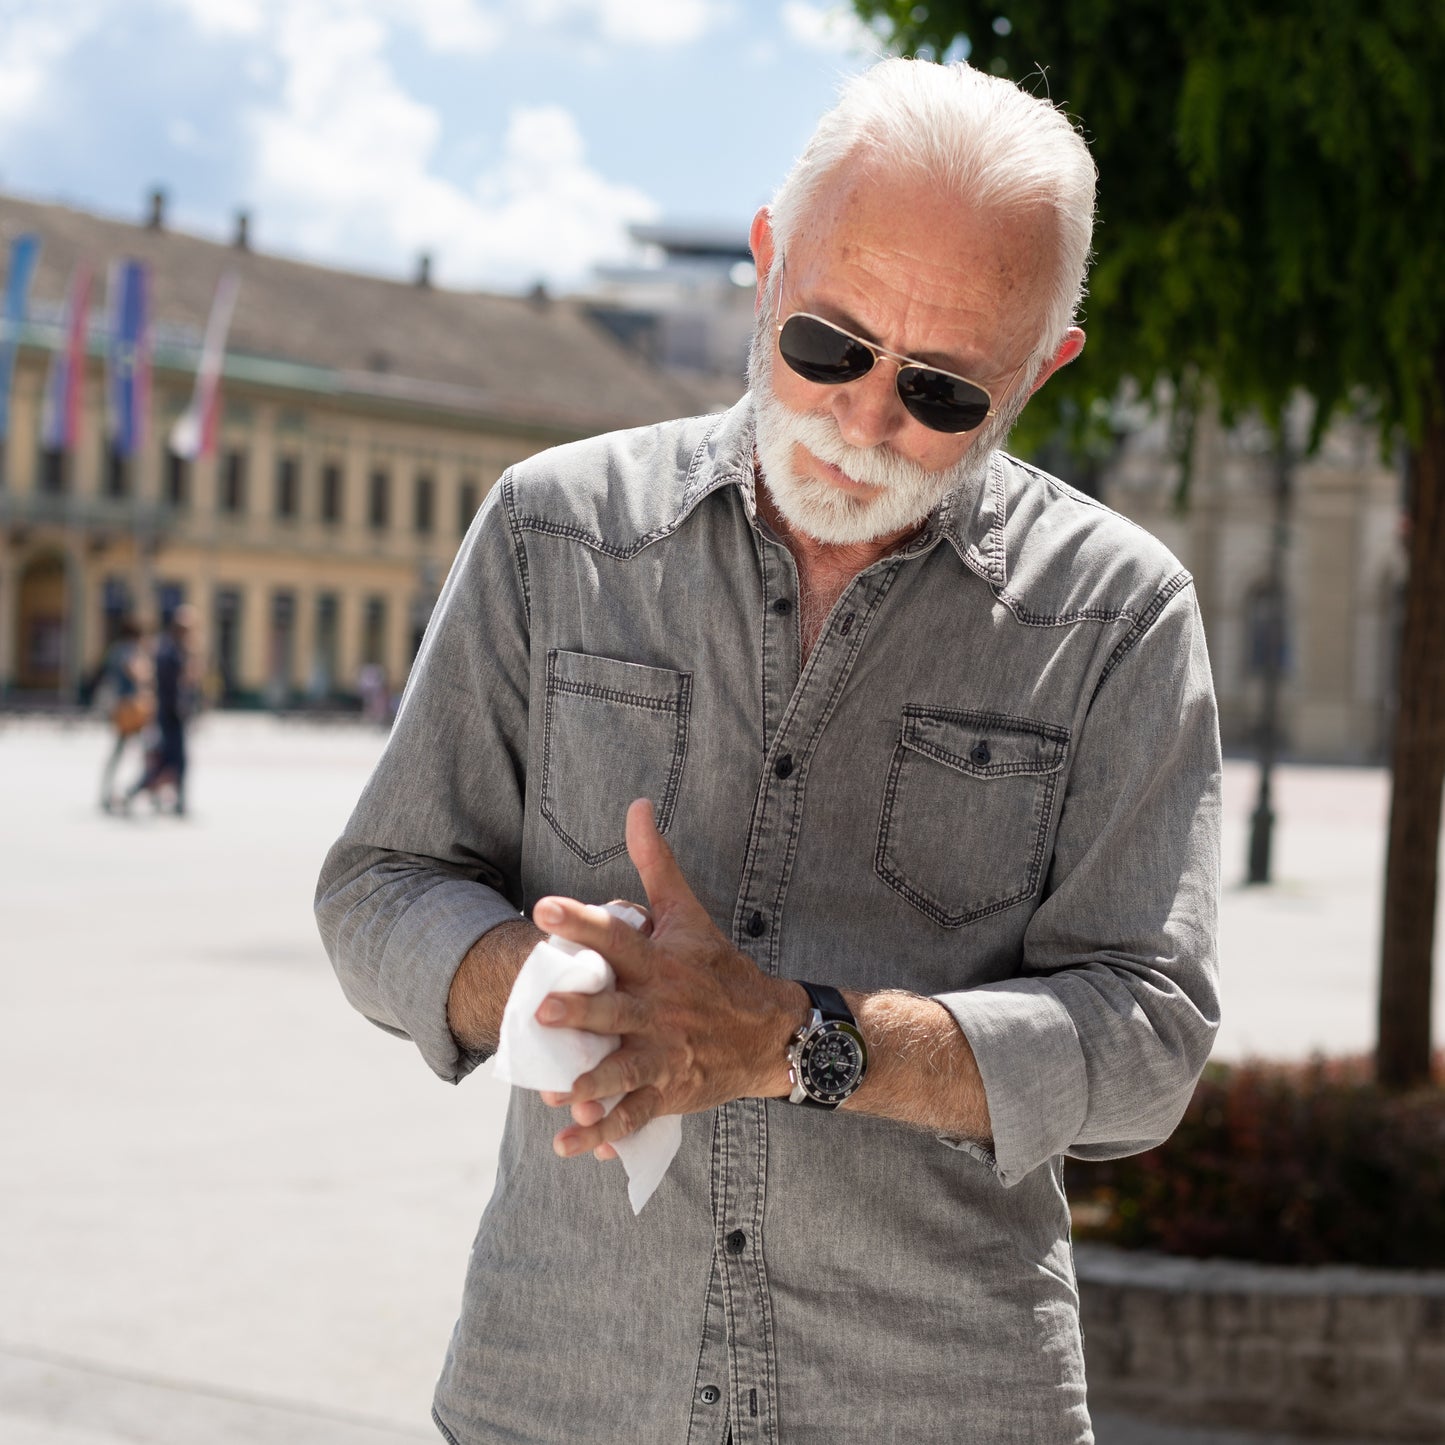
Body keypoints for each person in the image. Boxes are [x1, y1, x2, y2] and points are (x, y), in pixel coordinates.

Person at [316, 58, 1220, 1445]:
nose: (864, 419)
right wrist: (558, 988)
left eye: (943, 391)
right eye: (826, 344)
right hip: (565, 1390)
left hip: (935, 1407)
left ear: (1042, 368)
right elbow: (380, 883)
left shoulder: (1117, 616)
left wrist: (802, 1041)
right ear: (763, 261)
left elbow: (1147, 1039)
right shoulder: (554, 530)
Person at [124, 603, 197, 816]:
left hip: (173, 714)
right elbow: (169, 685)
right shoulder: (168, 650)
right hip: (169, 715)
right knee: (168, 760)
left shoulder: (176, 649)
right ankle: (140, 793)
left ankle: (176, 800)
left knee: (172, 761)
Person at [98, 618, 153, 812]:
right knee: (147, 751)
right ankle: (136, 791)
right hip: (132, 708)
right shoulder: (130, 650)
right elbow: (137, 672)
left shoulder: (114, 650)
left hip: (120, 707)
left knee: (119, 752)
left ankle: (107, 793)